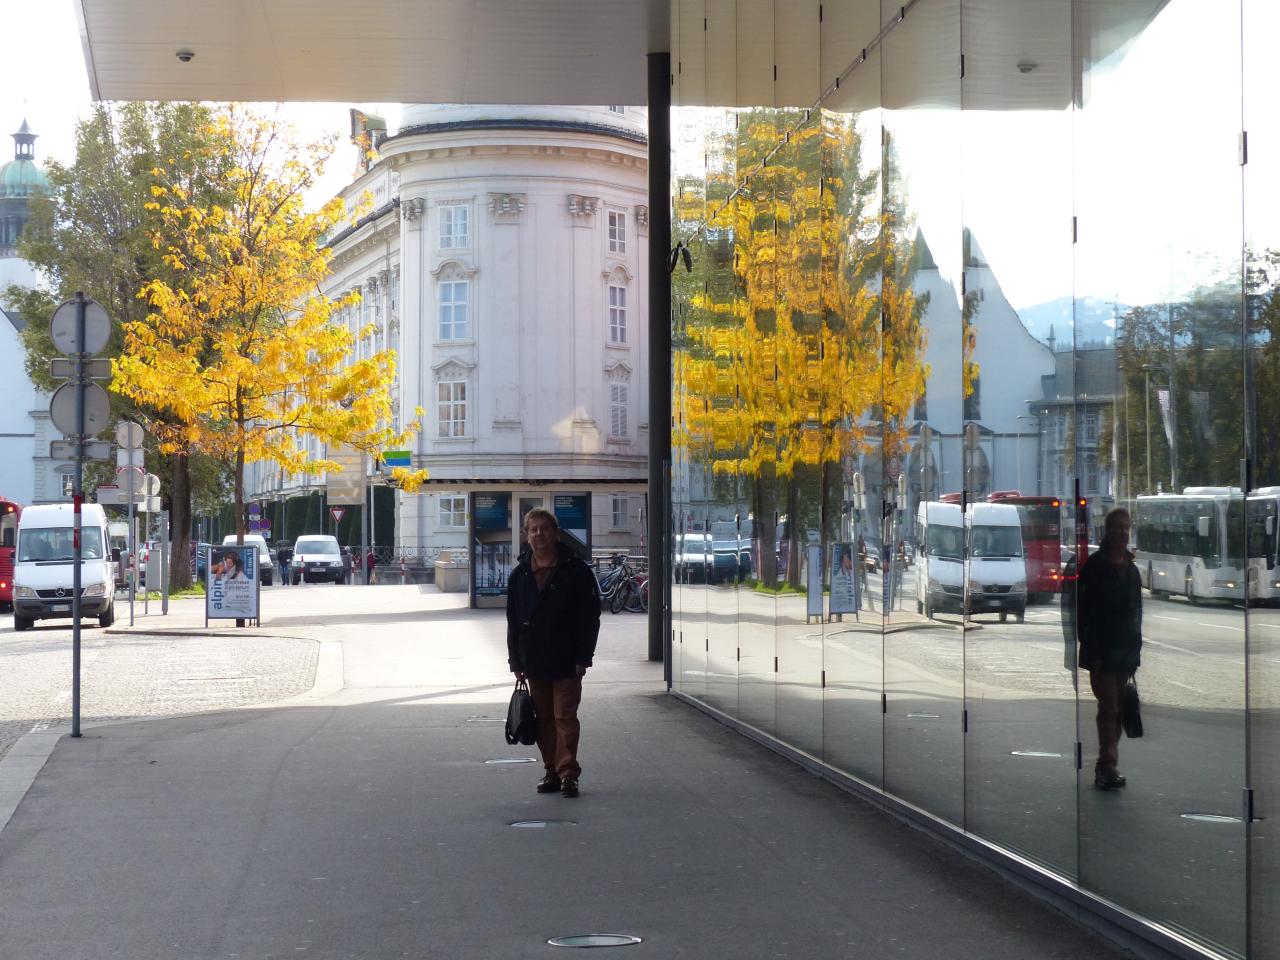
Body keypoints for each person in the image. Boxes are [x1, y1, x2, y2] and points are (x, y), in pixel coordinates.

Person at [506, 507, 600, 798]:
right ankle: (551, 770)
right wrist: (515, 661)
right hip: (534, 660)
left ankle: (568, 773)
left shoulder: (576, 571)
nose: (539, 535)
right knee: (544, 718)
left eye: (544, 529)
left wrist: (584, 657)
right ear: (525, 536)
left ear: (556, 534)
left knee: (564, 716)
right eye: (533, 530)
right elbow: (513, 621)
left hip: (567, 659)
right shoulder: (520, 575)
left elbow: (590, 618)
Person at [1077, 508, 1142, 790]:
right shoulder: (1095, 566)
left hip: (1124, 653)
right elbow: (1085, 613)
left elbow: (1136, 614)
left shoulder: (1132, 569)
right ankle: (1106, 765)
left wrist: (1135, 651)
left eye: (1127, 527)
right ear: (1108, 530)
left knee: (1115, 710)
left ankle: (1109, 763)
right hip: (1102, 653)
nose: (1123, 532)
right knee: (1109, 707)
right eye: (1118, 527)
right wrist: (1092, 651)